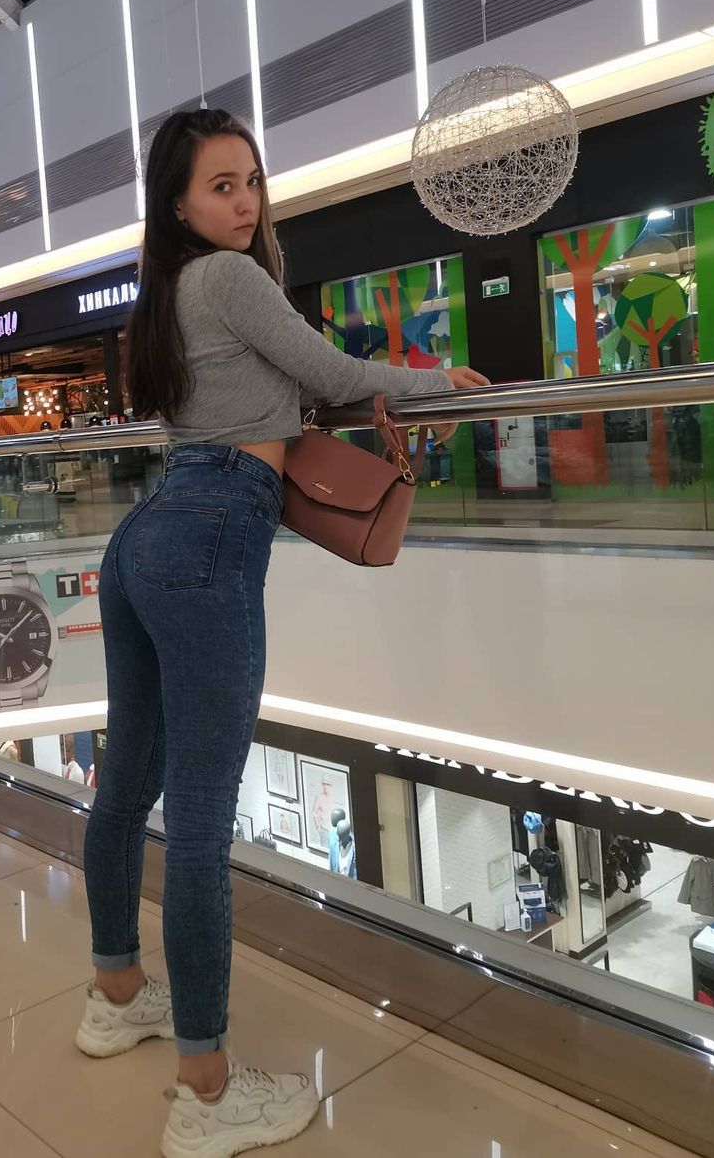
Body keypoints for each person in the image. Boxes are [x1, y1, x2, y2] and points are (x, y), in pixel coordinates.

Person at [77, 107, 489, 1157]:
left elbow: (272, 387)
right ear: (179, 204)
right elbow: (334, 375)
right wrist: (435, 381)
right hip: (213, 531)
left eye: (252, 181)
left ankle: (116, 992)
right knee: (199, 821)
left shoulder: (169, 293)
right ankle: (207, 1094)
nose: (245, 202)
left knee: (128, 784)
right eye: (221, 186)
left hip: (148, 535)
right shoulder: (227, 278)